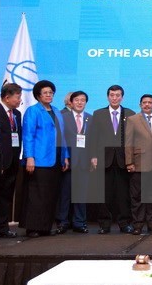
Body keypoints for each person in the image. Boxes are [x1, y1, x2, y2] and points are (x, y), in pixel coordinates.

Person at [20, 80, 69, 238]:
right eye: (45, 93)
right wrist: (29, 157)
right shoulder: (33, 111)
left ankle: (45, 226)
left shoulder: (56, 111)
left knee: (50, 194)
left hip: (56, 158)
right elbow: (28, 135)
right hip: (39, 159)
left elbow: (63, 135)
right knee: (37, 195)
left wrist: (66, 156)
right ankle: (33, 227)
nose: (49, 95)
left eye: (51, 93)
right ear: (38, 96)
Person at [88, 85, 136, 234]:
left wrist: (132, 159)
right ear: (107, 97)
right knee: (104, 194)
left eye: (118, 95)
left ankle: (124, 223)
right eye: (112, 95)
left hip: (123, 160)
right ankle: (104, 224)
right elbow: (93, 137)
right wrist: (93, 156)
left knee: (123, 195)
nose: (115, 98)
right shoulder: (98, 114)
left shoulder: (130, 113)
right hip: (104, 159)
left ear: (122, 97)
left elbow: (133, 139)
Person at [125, 94, 152, 235]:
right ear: (140, 105)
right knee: (137, 197)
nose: (147, 105)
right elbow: (128, 142)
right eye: (144, 102)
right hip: (138, 164)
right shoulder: (133, 120)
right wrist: (129, 162)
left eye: (150, 103)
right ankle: (138, 225)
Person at [0, 83, 22, 239]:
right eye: (18, 96)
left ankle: (3, 227)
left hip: (13, 161)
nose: (20, 99)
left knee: (6, 197)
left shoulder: (16, 114)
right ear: (7, 97)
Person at [58, 91, 91, 234]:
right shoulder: (63, 117)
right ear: (71, 102)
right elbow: (60, 139)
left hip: (83, 161)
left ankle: (79, 222)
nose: (80, 102)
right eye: (77, 100)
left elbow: (94, 141)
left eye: (83, 100)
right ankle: (63, 222)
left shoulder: (90, 118)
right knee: (65, 194)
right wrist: (64, 156)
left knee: (80, 194)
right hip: (68, 160)